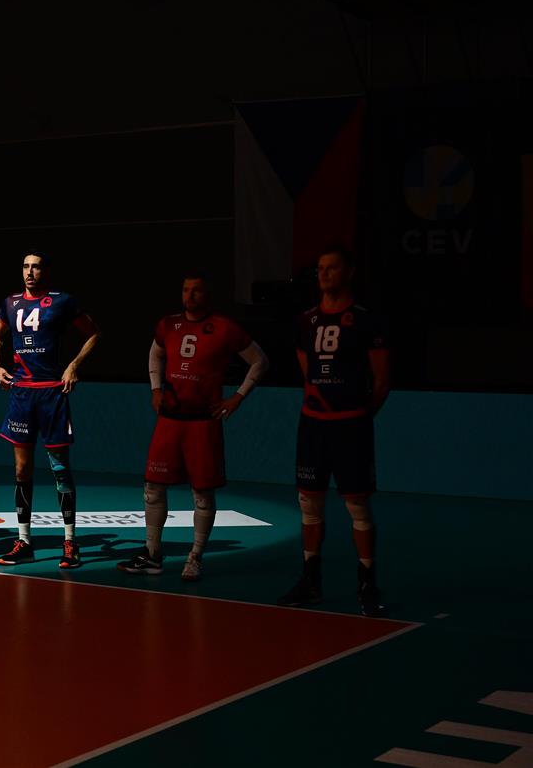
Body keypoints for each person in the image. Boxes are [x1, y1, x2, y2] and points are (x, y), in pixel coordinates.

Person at [117, 272, 268, 581]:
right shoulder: (168, 324)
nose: (190, 295)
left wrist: (238, 397)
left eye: (196, 290)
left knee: (202, 492)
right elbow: (155, 353)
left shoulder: (224, 327)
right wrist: (155, 389)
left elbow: (260, 361)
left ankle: (195, 557)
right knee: (152, 488)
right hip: (170, 420)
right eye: (186, 289)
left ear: (208, 294)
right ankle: (152, 555)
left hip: (202, 423)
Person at [278, 246, 390, 617]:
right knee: (309, 503)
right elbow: (307, 373)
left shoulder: (367, 321)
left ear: (349, 272)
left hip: (350, 426)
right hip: (313, 425)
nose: (324, 274)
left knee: (357, 504)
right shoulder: (305, 321)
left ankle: (367, 583)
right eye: (320, 268)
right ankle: (311, 580)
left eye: (332, 267)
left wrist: (359, 416)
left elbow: (381, 381)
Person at [0, 252, 99, 569]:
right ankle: (23, 541)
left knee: (59, 469)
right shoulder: (10, 303)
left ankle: (70, 542)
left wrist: (74, 365)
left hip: (52, 392)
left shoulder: (62, 301)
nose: (29, 272)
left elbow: (94, 333)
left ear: (45, 271)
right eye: (25, 266)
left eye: (35, 266)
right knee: (21, 470)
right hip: (21, 394)